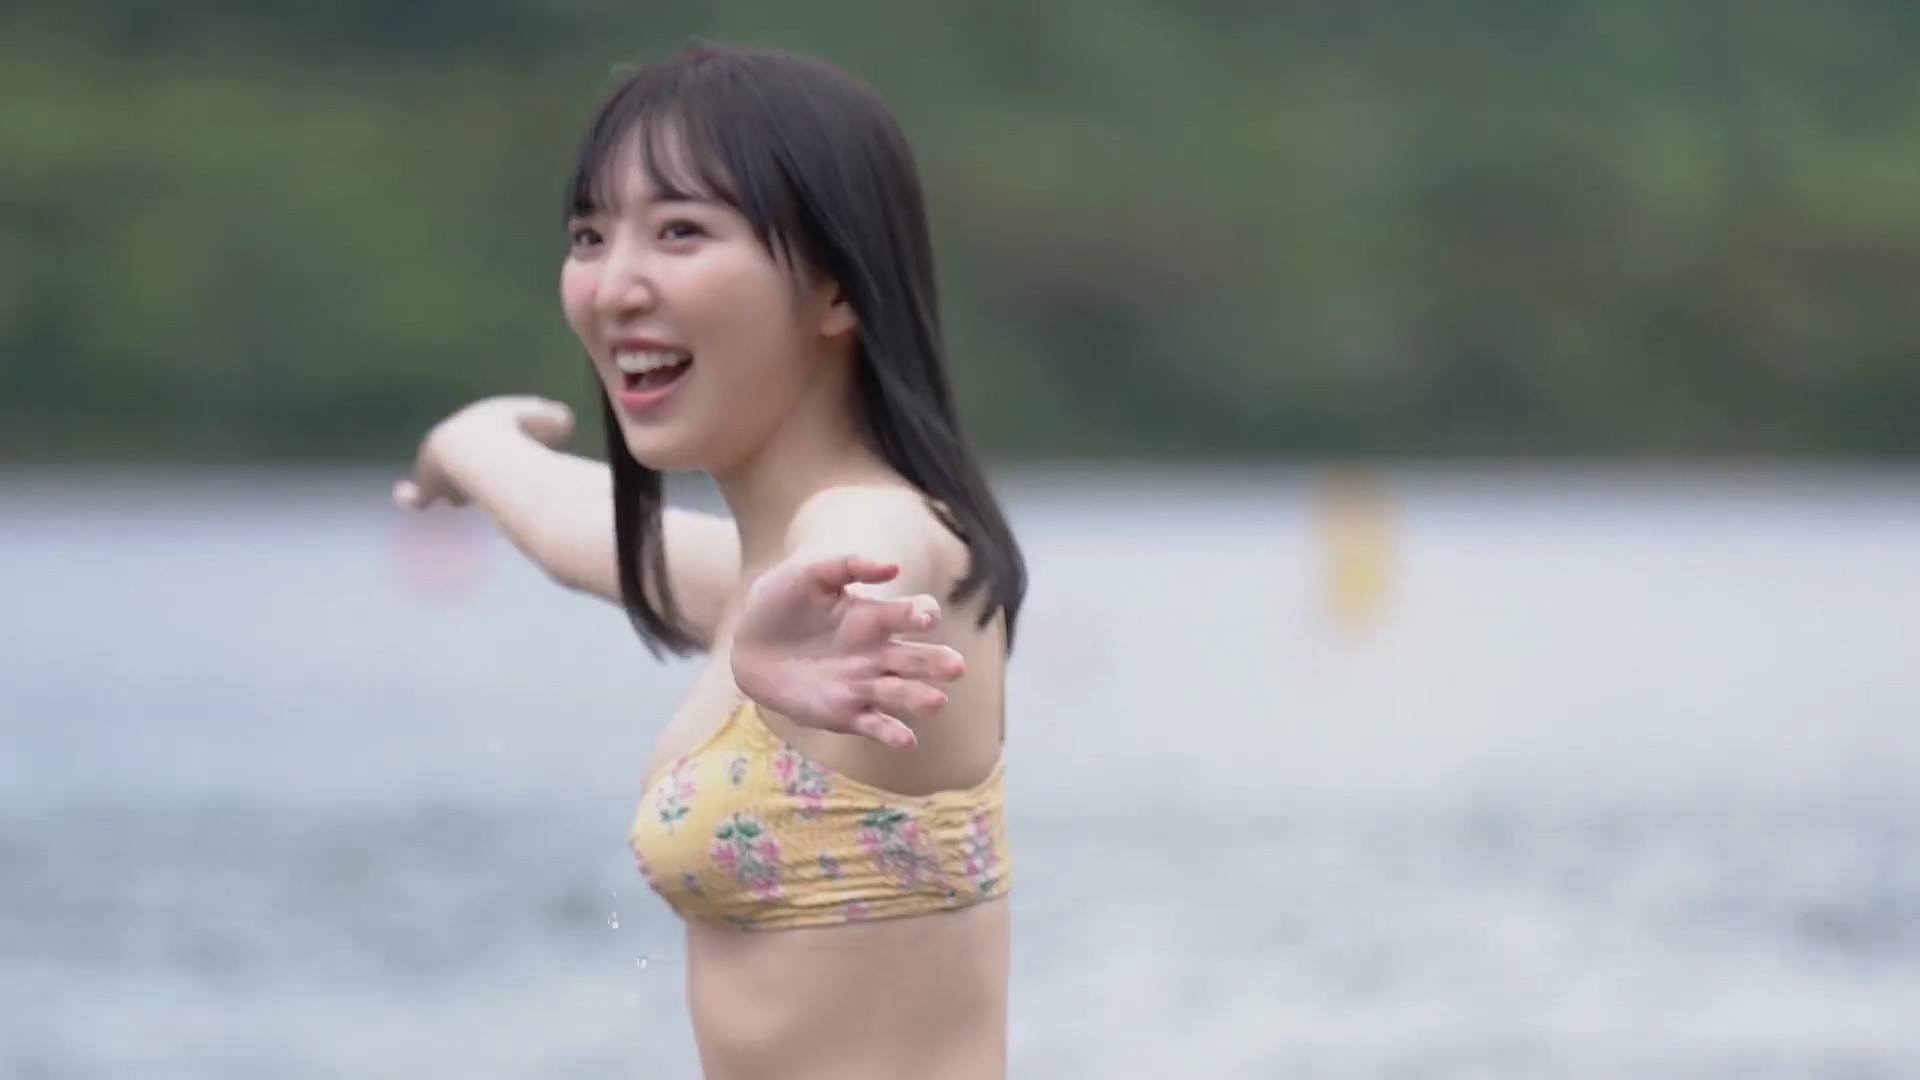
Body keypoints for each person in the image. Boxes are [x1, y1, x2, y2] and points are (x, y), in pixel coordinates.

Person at [390, 41, 1028, 1080]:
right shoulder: (753, 583)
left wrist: (802, 609)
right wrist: (464, 447)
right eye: (590, 236)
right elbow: (568, 526)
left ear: (836, 286)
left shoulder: (887, 556)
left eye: (680, 231)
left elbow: (875, 550)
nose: (615, 286)